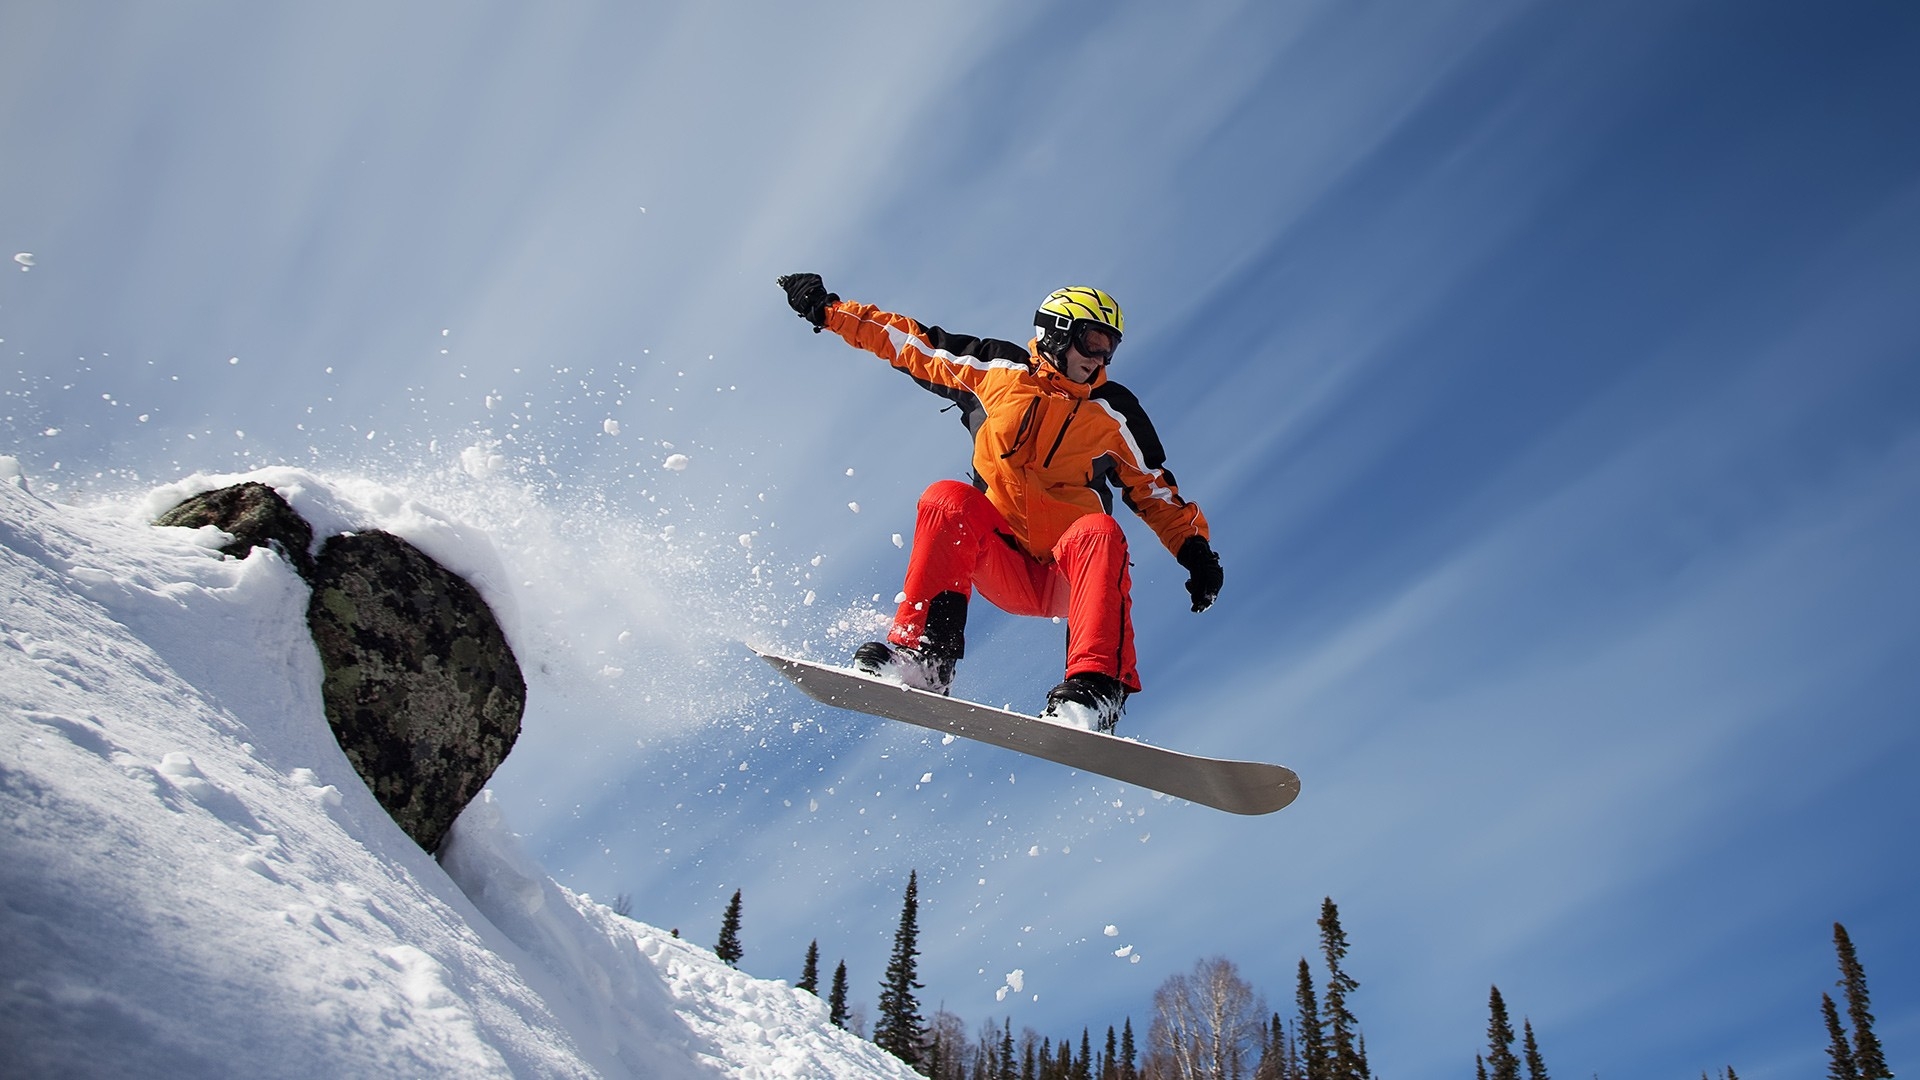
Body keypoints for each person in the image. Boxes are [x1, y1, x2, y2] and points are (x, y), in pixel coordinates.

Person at [776, 273, 1222, 732]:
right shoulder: (996, 371)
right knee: (948, 498)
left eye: (1110, 348)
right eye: (1093, 342)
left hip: (1070, 575)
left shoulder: (1113, 411)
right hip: (1001, 560)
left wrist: (1196, 553)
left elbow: (1153, 488)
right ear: (1057, 332)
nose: (1099, 359)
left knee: (1100, 530)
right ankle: (927, 657)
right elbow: (909, 343)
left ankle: (1095, 691)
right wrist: (829, 311)